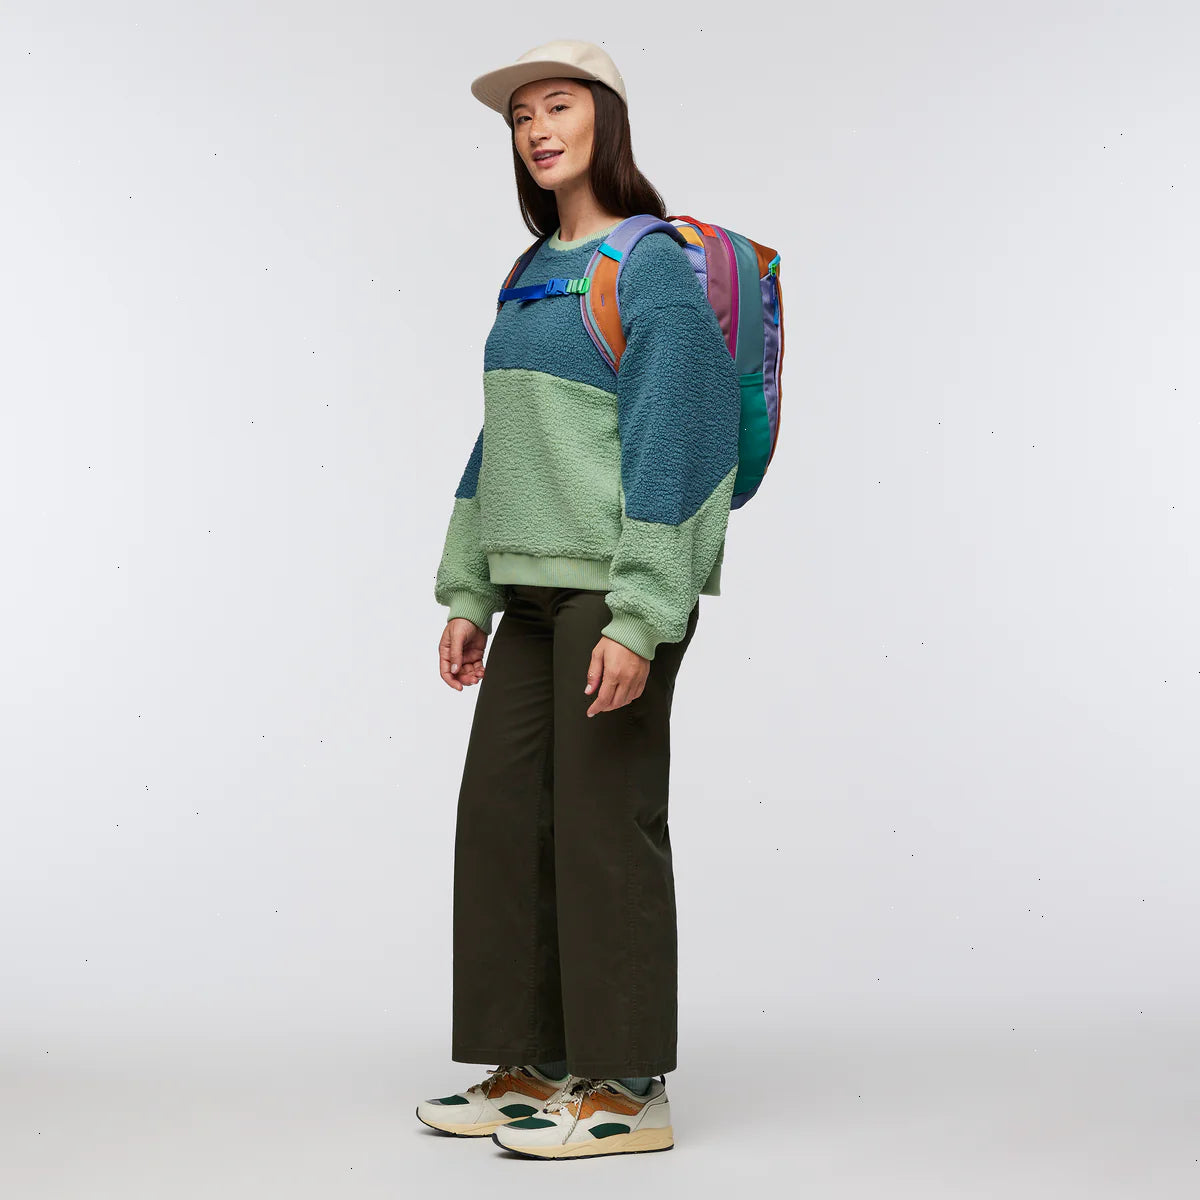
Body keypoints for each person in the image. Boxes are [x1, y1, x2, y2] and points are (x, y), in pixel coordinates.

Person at [415, 39, 741, 1161]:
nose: (538, 130)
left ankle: (629, 1085)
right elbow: (500, 439)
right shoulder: (530, 269)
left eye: (558, 106)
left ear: (606, 118)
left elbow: (677, 437)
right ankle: (534, 1062)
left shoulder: (649, 264)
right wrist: (469, 588)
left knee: (606, 831)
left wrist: (644, 613)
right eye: (522, 118)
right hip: (530, 594)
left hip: (612, 591)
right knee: (504, 825)